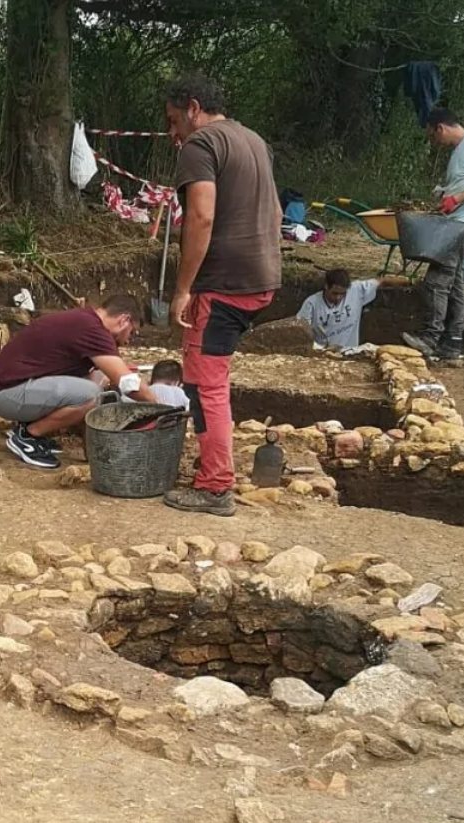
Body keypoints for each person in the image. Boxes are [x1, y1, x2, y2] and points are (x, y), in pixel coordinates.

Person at [164, 75, 282, 517]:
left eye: (175, 121)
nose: (174, 134)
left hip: (224, 284)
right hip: (260, 279)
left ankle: (214, 487)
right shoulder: (252, 140)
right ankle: (213, 465)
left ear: (194, 108)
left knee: (203, 385)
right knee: (213, 378)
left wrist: (183, 289)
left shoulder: (202, 145)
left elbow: (200, 217)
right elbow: (272, 211)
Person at [0, 295, 144, 469]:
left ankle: (30, 427)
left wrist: (91, 452)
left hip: (12, 387)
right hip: (6, 394)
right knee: (93, 395)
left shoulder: (86, 321)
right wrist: (161, 406)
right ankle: (27, 436)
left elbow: (95, 381)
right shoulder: (93, 329)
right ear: (124, 320)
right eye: (132, 331)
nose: (128, 340)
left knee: (94, 390)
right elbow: (127, 381)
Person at [402, 109, 464, 361]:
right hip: (458, 221)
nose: (436, 142)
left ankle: (429, 338)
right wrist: (446, 193)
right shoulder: (460, 151)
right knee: (454, 283)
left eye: (434, 136)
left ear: (440, 128)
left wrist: (457, 198)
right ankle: (453, 343)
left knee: (436, 280)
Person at [296, 268, 405, 349]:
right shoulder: (312, 304)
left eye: (342, 294)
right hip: (322, 354)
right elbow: (300, 331)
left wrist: (409, 282)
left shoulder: (356, 291)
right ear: (326, 286)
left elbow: (381, 281)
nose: (338, 297)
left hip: (352, 354)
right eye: (335, 293)